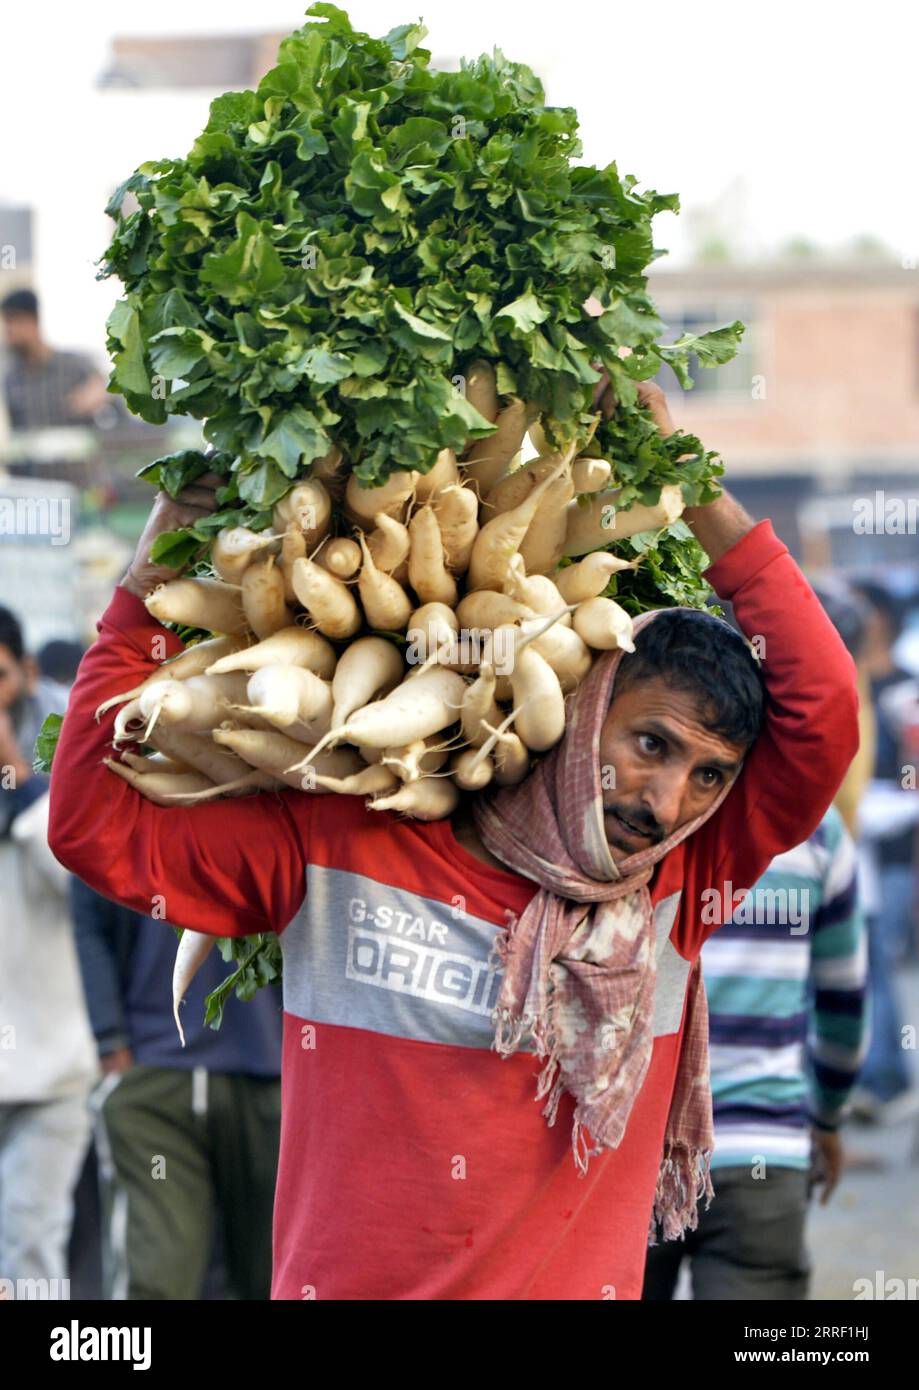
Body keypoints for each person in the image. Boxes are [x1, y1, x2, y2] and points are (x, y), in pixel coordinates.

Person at [47, 380, 860, 1300]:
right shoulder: (342, 837)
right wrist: (149, 577)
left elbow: (824, 707)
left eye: (708, 776)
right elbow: (92, 825)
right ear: (585, 704)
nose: (666, 800)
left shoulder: (681, 881)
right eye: (649, 746)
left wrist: (688, 476)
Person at [642, 804, 869, 1300]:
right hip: (763, 1156)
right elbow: (845, 1006)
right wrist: (828, 1119)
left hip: (636, 1153)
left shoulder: (651, 807)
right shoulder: (817, 831)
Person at [70, 879, 283, 1300]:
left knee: (279, 1273)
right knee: (156, 1277)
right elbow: (86, 894)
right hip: (152, 1071)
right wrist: (110, 1039)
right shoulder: (128, 811)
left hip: (268, 1069)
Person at [0, 606, 99, 1290]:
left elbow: (77, 885)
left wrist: (14, 771)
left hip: (50, 1074)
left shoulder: (55, 776)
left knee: (31, 1251)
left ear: (24, 676)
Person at [847, 581, 919, 1121]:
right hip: (853, 851)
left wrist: (873, 808)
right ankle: (865, 1075)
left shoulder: (903, 693)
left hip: (893, 854)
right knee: (857, 962)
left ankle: (888, 1079)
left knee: (876, 960)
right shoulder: (850, 687)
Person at [1, 288, 108, 431]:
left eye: (12, 321)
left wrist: (100, 391)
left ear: (34, 320)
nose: (8, 331)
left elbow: (107, 387)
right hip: (31, 452)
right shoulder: (10, 377)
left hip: (77, 451)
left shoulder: (73, 365)